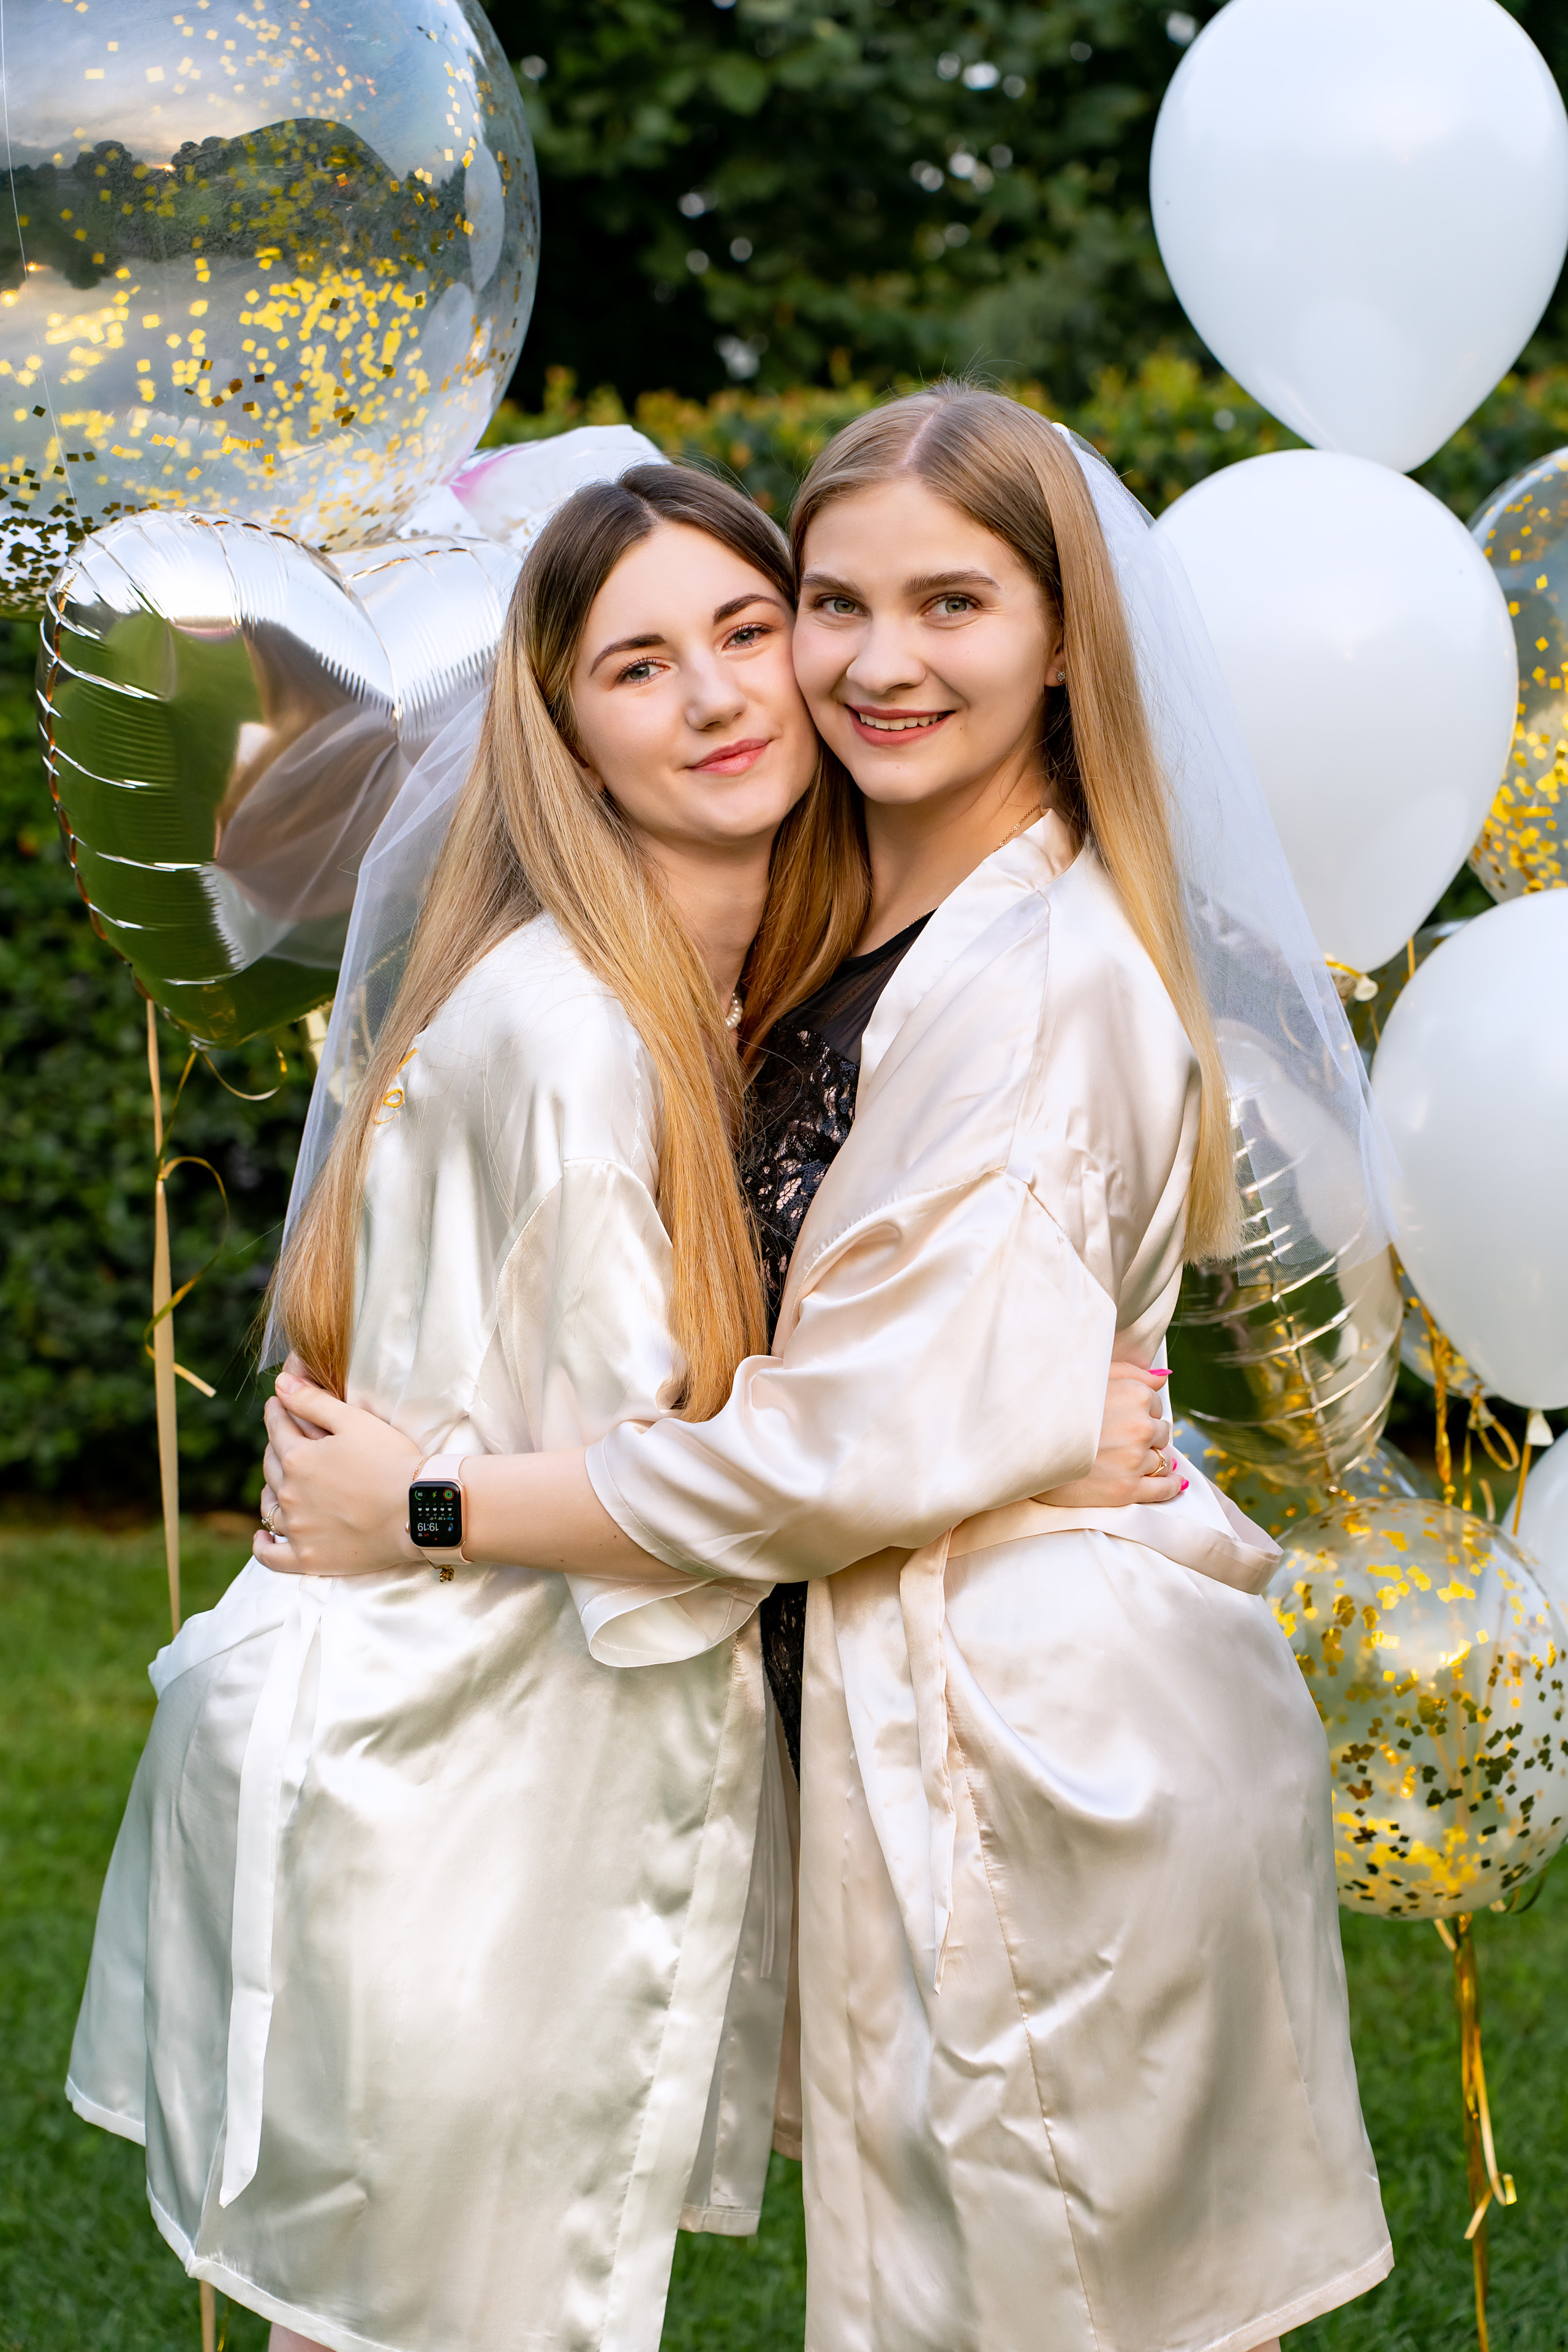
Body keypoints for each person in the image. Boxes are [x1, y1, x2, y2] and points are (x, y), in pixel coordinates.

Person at [261, 387, 1392, 2352]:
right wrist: (1011, 1426)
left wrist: (427, 1507)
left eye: (953, 605)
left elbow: (836, 1447)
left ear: (1063, 636)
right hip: (925, 1704)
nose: (877, 663)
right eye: (836, 603)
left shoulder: (1040, 981)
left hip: (1050, 1752)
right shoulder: (824, 919)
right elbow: (814, 1343)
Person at [68, 448, 1169, 2352]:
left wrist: (979, 1410)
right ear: (564, 735)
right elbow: (682, 1517)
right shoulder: (580, 1038)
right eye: (639, 667)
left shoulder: (734, 999)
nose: (721, 697)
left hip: (478, 1775)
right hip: (446, 1804)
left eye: (747, 629)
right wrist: (1021, 1451)